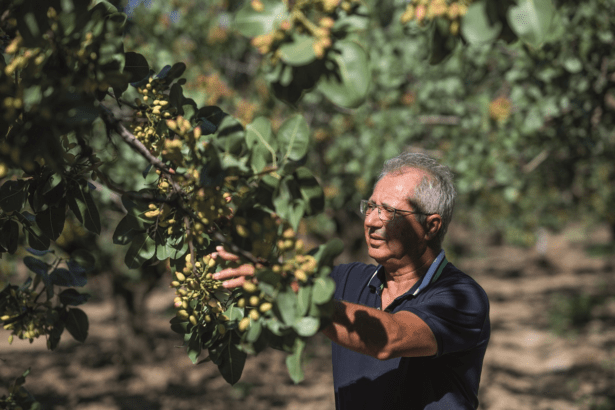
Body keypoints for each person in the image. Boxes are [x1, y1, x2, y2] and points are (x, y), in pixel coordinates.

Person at [213, 152, 490, 410]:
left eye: (389, 212)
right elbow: (276, 274)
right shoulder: (347, 279)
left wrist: (292, 291)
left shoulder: (462, 298)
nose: (371, 221)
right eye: (370, 207)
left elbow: (390, 337)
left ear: (430, 226)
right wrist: (235, 229)